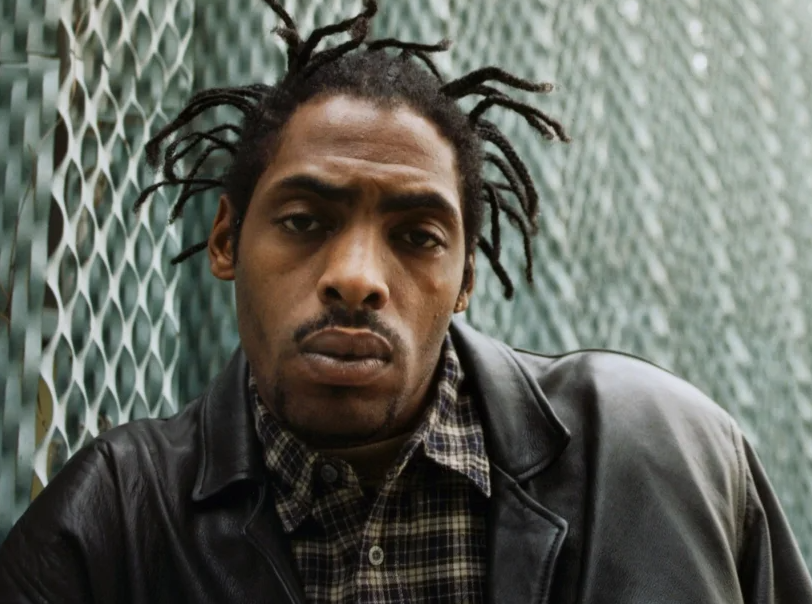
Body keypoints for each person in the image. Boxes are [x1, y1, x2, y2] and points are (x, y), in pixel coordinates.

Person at [1, 1, 810, 602]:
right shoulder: (113, 521)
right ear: (225, 240)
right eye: (304, 220)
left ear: (465, 280)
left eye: (418, 236)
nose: (357, 277)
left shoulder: (663, 451)